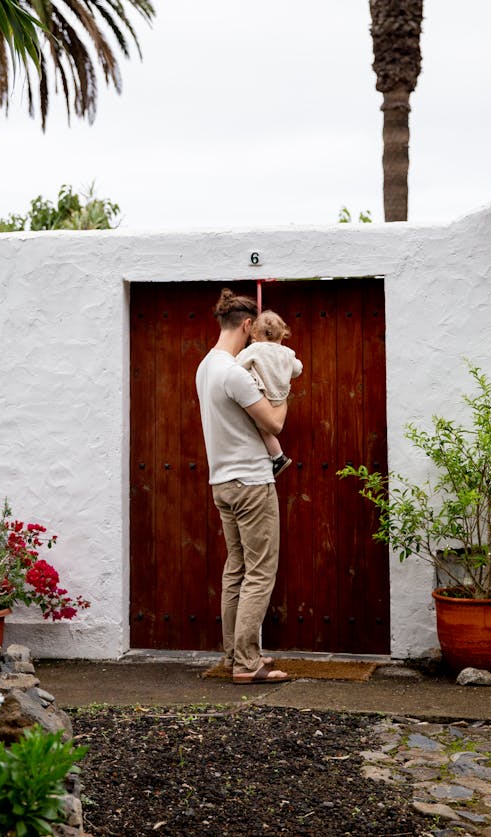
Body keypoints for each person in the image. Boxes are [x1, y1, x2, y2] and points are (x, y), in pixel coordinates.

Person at [195, 288, 291, 684]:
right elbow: (274, 423)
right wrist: (282, 389)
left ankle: (235, 655)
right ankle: (248, 663)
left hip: (222, 482)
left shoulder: (205, 366)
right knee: (259, 572)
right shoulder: (234, 373)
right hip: (251, 482)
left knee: (236, 569)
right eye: (255, 330)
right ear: (248, 325)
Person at [235, 309, 303, 478]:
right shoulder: (287, 353)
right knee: (266, 430)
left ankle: (278, 457)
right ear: (282, 335)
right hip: (280, 398)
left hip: (263, 396)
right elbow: (297, 370)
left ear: (255, 335)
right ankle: (275, 456)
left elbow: (238, 365)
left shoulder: (255, 349)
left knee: (261, 429)